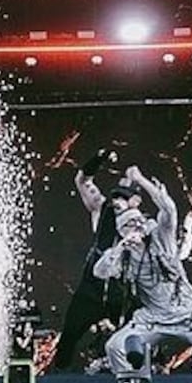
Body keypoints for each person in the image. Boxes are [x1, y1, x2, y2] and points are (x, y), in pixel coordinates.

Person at [94, 165, 192, 376]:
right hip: (152, 319)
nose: (135, 226)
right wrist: (120, 248)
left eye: (138, 221)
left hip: (188, 315)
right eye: (128, 224)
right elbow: (100, 272)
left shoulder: (162, 239)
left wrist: (141, 179)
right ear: (121, 231)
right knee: (115, 346)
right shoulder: (123, 256)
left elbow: (169, 209)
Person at [50, 148, 135, 370]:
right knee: (69, 336)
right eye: (116, 196)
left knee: (130, 341)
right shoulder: (102, 208)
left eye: (124, 197)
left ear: (134, 202)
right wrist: (99, 157)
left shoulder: (141, 226)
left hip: (120, 292)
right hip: (91, 289)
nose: (118, 201)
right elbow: (82, 180)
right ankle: (57, 379)